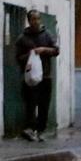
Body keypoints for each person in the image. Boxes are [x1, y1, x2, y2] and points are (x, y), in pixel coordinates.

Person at [13, 10, 59, 141]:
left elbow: (56, 50)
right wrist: (29, 55)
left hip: (45, 76)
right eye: (33, 19)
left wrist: (44, 50)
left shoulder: (47, 35)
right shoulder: (23, 38)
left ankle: (41, 130)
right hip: (30, 79)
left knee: (44, 105)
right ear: (29, 21)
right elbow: (17, 57)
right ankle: (29, 129)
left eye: (38, 19)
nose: (36, 22)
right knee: (30, 104)